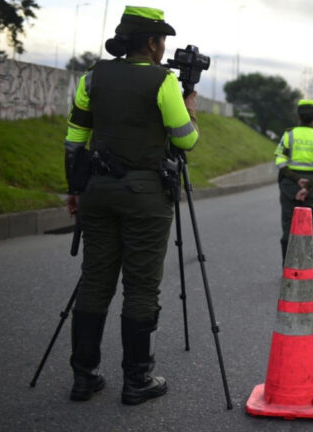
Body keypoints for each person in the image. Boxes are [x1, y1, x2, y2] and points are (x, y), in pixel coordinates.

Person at [63, 6, 198, 405]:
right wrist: (190, 112)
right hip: (145, 196)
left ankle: (83, 377)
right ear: (152, 43)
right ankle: (137, 381)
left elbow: (75, 137)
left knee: (94, 281)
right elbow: (186, 140)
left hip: (97, 191)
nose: (164, 48)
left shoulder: (93, 76)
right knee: (140, 287)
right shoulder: (163, 82)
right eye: (162, 41)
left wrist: (75, 187)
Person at [275, 100, 313, 261]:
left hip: (289, 185)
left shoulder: (289, 135)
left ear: (298, 116)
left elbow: (280, 161)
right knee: (307, 229)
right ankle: (302, 270)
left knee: (288, 227)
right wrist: (308, 186)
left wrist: (296, 180)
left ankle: (287, 268)